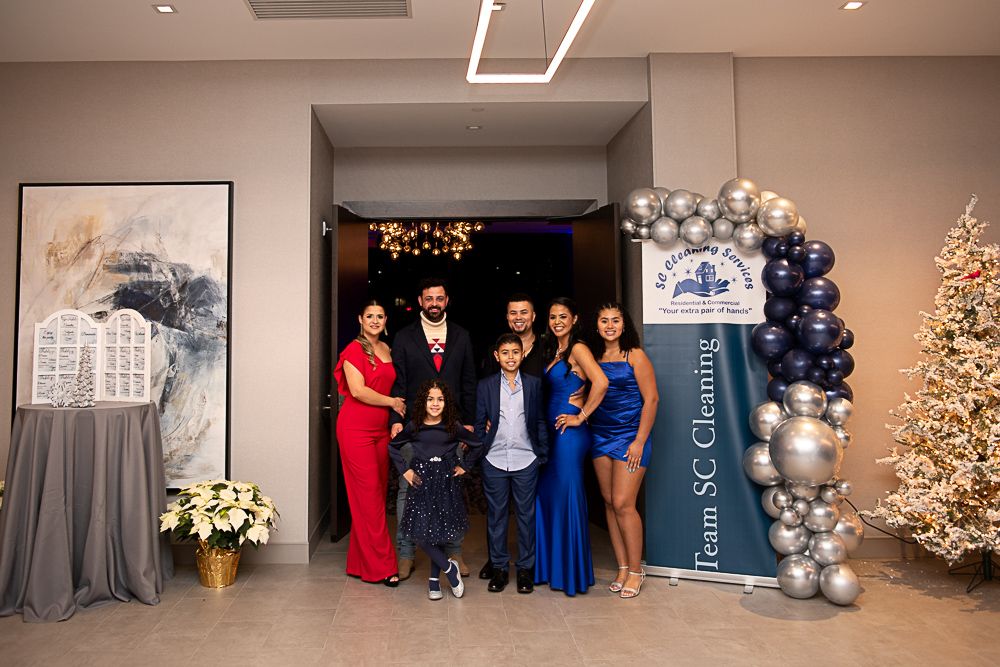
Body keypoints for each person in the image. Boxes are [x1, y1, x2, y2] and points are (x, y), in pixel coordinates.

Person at [389, 278, 477, 579]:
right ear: (421, 300)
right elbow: (398, 383)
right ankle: (406, 554)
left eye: (439, 298)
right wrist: (397, 421)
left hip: (452, 428)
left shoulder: (462, 336)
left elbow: (468, 383)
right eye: (429, 298)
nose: (434, 304)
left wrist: (469, 421)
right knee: (408, 488)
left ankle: (454, 553)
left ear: (447, 300)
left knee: (451, 488)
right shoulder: (403, 337)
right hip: (416, 427)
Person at [535, 297, 608, 596]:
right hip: (553, 432)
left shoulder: (578, 348)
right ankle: (554, 568)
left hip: (570, 433)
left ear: (575, 318)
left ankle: (571, 573)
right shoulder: (555, 350)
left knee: (567, 496)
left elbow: (601, 382)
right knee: (547, 494)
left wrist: (582, 415)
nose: (557, 321)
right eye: (553, 317)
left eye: (563, 316)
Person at [588, 302, 659, 599]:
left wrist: (639, 441)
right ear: (597, 326)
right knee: (608, 502)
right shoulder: (595, 357)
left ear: (624, 324)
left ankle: (635, 570)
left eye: (615, 320)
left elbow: (652, 399)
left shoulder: (635, 356)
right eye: (604, 320)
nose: (609, 325)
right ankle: (621, 567)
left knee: (623, 503)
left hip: (630, 437)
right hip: (600, 435)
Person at [333, 300, 406, 586]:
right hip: (355, 429)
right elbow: (358, 391)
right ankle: (383, 567)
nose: (375, 320)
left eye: (380, 315)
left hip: (380, 431)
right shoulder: (354, 349)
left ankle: (358, 563)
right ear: (360, 320)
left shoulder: (388, 349)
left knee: (374, 495)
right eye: (369, 316)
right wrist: (392, 402)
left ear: (385, 319)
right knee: (369, 498)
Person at [390, 380, 483, 600]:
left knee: (439, 531)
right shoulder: (414, 426)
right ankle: (449, 569)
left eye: (440, 399)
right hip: (421, 483)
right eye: (430, 399)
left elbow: (478, 445)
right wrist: (406, 471)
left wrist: (464, 466)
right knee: (421, 533)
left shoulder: (453, 426)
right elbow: (392, 447)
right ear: (423, 401)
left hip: (445, 483)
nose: (435, 403)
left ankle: (434, 582)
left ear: (446, 402)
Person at [474, 334, 548, 594]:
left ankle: (526, 569)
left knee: (526, 517)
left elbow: (539, 420)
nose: (510, 357)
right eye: (505, 353)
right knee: (496, 517)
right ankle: (500, 568)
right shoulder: (485, 386)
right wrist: (481, 452)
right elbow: (480, 421)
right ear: (497, 356)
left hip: (525, 458)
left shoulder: (534, 384)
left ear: (522, 355)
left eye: (515, 352)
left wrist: (542, 453)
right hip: (494, 458)